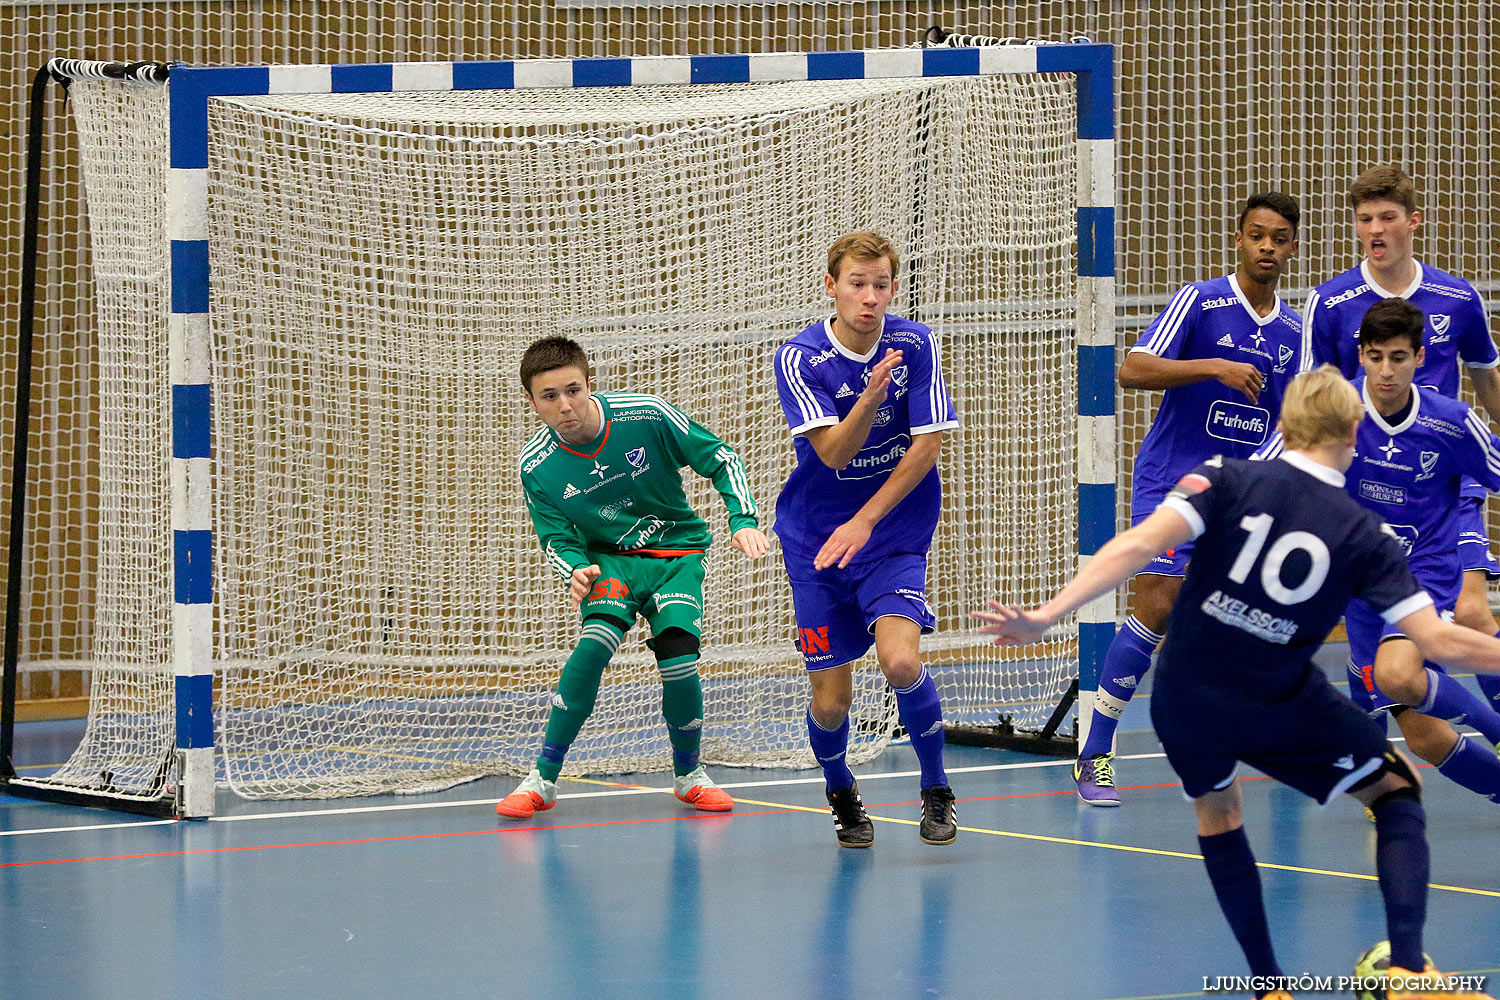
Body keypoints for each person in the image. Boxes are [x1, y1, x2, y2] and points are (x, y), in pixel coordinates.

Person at [975, 367, 1498, 1000]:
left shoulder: (1224, 476)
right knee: (1395, 793)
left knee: (1219, 813)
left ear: (1283, 426)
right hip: (1273, 696)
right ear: (1356, 432)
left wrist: (1047, 616)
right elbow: (1442, 642)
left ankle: (1268, 985)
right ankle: (1410, 973)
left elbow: (1138, 545)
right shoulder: (1368, 536)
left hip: (1182, 694)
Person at [1075, 192, 1304, 805]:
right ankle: (1095, 749)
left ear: (1292, 249)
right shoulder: (1201, 301)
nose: (1266, 247)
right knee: (1158, 601)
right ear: (1238, 238)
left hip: (1238, 490)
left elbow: (1294, 423)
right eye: (1257, 234)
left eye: (1279, 238)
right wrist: (1214, 368)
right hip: (1171, 478)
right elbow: (1132, 368)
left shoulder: (1294, 334)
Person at [497, 336, 768, 820]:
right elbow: (556, 537)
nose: (565, 406)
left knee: (678, 651)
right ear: (531, 402)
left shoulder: (645, 414)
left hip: (675, 552)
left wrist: (742, 519)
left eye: (573, 390)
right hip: (610, 562)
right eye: (550, 397)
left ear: (589, 384)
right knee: (594, 643)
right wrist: (574, 570)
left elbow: (721, 457)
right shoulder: (536, 466)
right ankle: (543, 777)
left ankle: (689, 775)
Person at [1261, 300, 1500, 801]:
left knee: (1396, 674)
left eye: (1398, 357)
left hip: (1424, 573)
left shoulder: (1452, 421)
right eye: (1375, 357)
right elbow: (1268, 469)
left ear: (1420, 356)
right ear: (1360, 355)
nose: (1386, 371)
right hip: (1360, 586)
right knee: (1426, 738)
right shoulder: (1332, 412)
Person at [771, 231, 960, 848]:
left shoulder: (916, 343)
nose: (870, 297)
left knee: (901, 659)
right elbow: (832, 452)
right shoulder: (800, 358)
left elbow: (927, 446)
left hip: (891, 534)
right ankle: (839, 787)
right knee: (831, 699)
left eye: (882, 285)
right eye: (858, 284)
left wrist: (870, 521)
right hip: (818, 543)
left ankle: (936, 790)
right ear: (832, 287)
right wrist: (871, 398)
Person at [1303, 165, 1500, 715]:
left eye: (1387, 217)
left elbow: (1486, 378)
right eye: (1364, 219)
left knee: (1474, 612)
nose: (1375, 229)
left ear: (1413, 222)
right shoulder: (1331, 302)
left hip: (1449, 485)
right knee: (1386, 674)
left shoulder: (1457, 297)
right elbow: (1309, 400)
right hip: (1369, 486)